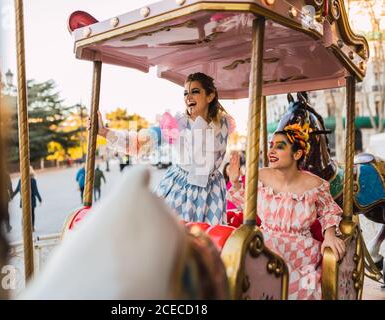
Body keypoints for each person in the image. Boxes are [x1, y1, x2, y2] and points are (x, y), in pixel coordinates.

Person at [90, 72, 235, 225]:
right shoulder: (175, 123)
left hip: (211, 192)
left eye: (195, 91)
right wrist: (105, 132)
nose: (188, 97)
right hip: (181, 190)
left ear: (210, 96)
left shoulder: (223, 123)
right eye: (186, 93)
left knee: (208, 241)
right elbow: (140, 144)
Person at [227, 123, 346, 300]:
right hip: (268, 243)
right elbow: (246, 205)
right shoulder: (260, 175)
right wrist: (235, 182)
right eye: (271, 145)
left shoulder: (315, 184)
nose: (271, 151)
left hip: (301, 250)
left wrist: (329, 235)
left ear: (297, 154)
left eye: (279, 146)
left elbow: (329, 211)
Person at [12, 166, 42, 232]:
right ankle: (32, 227)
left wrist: (12, 196)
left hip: (24, 200)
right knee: (32, 214)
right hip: (31, 201)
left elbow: (17, 189)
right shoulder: (33, 180)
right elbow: (35, 191)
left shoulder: (21, 180)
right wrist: (40, 199)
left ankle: (24, 227)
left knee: (24, 214)